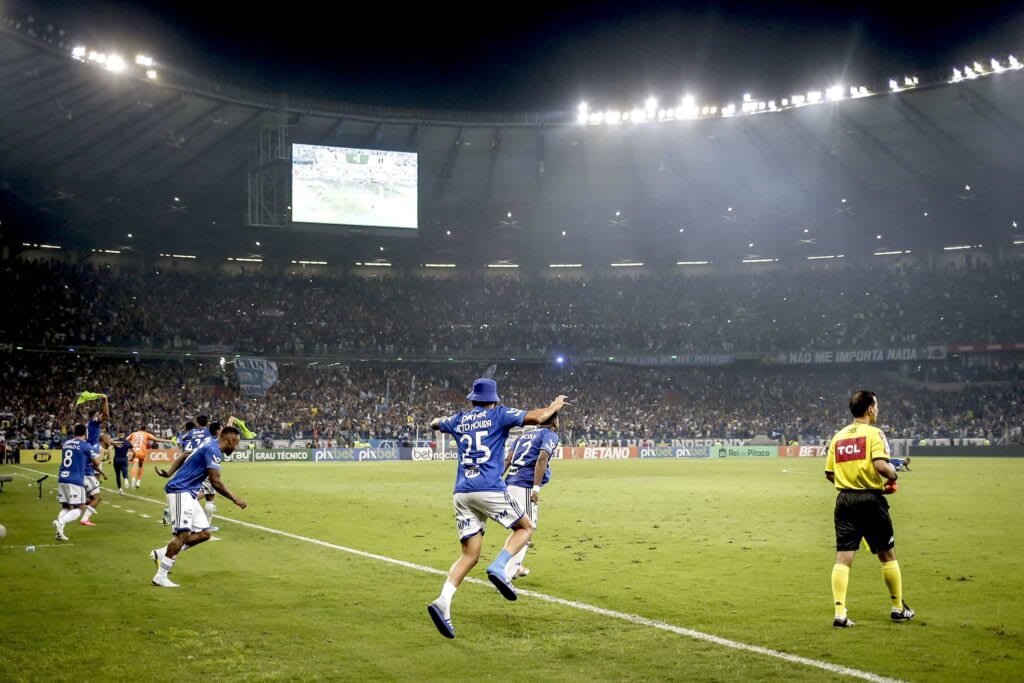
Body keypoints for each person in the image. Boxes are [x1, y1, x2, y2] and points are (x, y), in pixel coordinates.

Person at [425, 377, 567, 639]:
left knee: (470, 554)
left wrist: (435, 421)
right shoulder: (499, 415)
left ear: (471, 399)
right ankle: (501, 566)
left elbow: (436, 423)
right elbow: (537, 417)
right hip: (488, 487)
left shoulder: (458, 419)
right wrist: (555, 405)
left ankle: (443, 602)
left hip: (461, 492)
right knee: (525, 527)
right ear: (495, 399)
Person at [825, 390, 914, 628]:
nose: (878, 410)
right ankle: (897, 609)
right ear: (870, 409)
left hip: (844, 501)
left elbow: (829, 473)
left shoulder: (839, 436)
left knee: (843, 557)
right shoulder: (875, 434)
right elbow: (881, 465)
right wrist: (893, 476)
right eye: (877, 406)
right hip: (870, 501)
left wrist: (850, 485)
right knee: (887, 554)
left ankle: (840, 613)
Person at [150, 426, 247, 587]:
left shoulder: (209, 443)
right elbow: (215, 481)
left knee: (204, 533)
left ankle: (161, 553)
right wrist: (234, 499)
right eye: (236, 443)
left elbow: (186, 454)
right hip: (180, 491)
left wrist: (169, 472)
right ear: (230, 440)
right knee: (184, 535)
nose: (236, 447)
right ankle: (161, 576)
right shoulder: (213, 449)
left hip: (189, 493)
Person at [502, 414, 560, 581]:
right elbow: (542, 458)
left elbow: (508, 459)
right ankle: (506, 574)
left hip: (510, 484)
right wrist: (536, 488)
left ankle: (516, 565)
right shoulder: (550, 435)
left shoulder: (523, 435)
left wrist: (497, 481)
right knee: (526, 530)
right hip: (525, 486)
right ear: (554, 422)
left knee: (519, 529)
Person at [52, 425, 93, 541]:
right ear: (85, 433)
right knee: (80, 509)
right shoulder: (85, 445)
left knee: (65, 506)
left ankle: (59, 533)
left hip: (62, 478)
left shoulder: (66, 443)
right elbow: (96, 460)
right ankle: (60, 521)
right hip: (75, 480)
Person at [79, 436, 106, 526]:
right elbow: (96, 463)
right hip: (88, 475)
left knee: (91, 497)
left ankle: (85, 509)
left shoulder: (83, 448)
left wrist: (103, 473)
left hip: (81, 474)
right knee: (97, 498)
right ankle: (84, 519)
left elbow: (93, 464)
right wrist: (102, 452)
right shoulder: (93, 448)